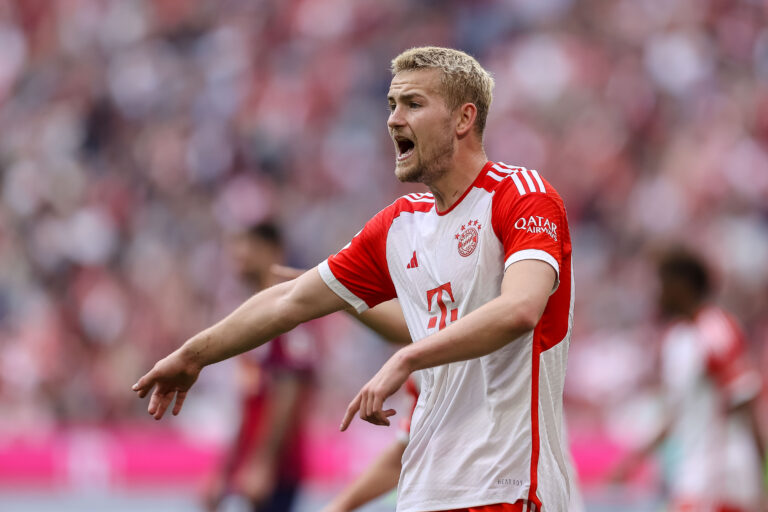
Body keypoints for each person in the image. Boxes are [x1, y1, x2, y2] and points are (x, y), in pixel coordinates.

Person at [133, 46, 575, 512]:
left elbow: (522, 308)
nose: (393, 120)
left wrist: (406, 359)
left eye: (413, 104)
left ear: (464, 119)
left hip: (508, 489)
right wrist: (193, 356)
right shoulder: (399, 225)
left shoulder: (523, 197)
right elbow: (288, 301)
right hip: (424, 491)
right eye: (391, 105)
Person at [613, 248, 766, 512]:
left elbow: (745, 399)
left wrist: (761, 471)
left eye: (662, 283)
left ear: (682, 285)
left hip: (722, 476)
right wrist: (630, 464)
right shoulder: (677, 339)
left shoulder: (715, 330)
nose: (658, 292)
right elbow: (675, 416)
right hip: (693, 475)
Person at [203, 223, 317, 512]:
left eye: (250, 246)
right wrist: (226, 470)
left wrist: (263, 463)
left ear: (274, 252)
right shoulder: (254, 317)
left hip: (276, 471)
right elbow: (250, 401)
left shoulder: (287, 315)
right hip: (250, 467)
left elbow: (288, 390)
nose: (239, 254)